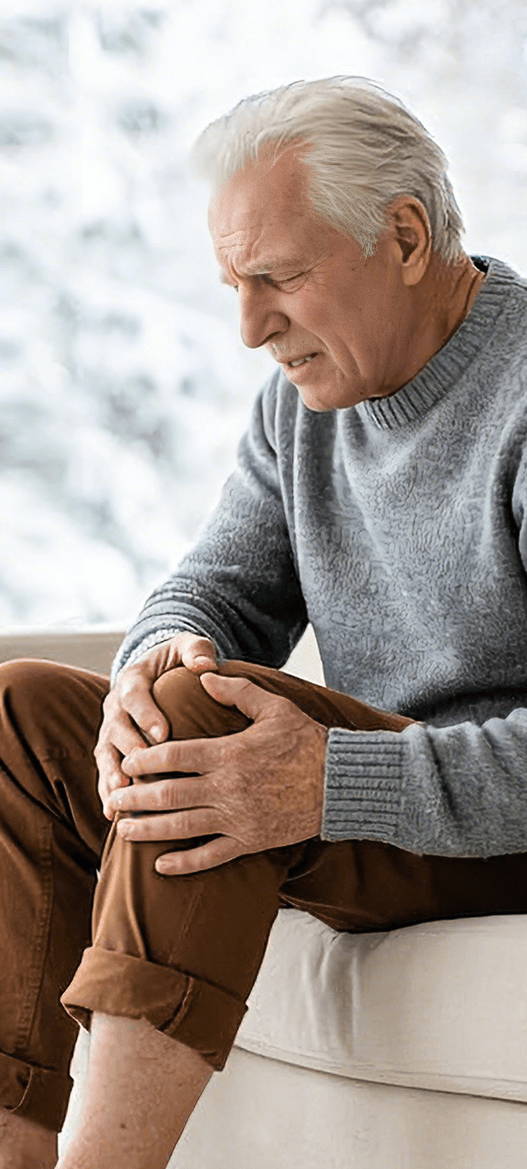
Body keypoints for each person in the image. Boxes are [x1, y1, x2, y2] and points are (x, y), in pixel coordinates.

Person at [1, 74, 527, 1169]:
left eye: (277, 278)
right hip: (370, 816)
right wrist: (153, 663)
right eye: (233, 285)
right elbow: (210, 589)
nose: (248, 327)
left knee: (208, 720)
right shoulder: (300, 405)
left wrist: (328, 779)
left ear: (403, 233)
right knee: (24, 711)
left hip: (494, 824)